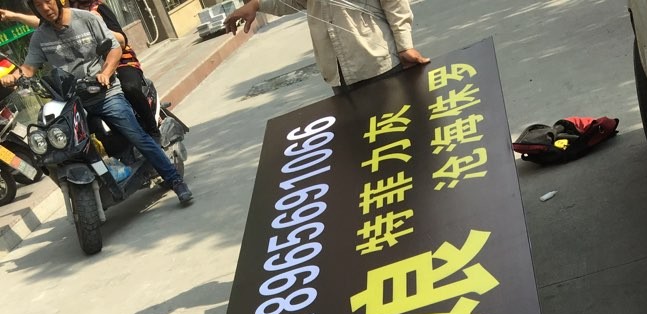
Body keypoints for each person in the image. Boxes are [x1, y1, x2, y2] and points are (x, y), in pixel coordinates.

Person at [0, 0, 192, 203]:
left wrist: (106, 72)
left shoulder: (87, 19)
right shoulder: (40, 36)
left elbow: (115, 48)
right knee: (63, 147)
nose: (45, 8)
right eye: (39, 5)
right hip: (71, 101)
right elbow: (29, 68)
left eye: (48, 1)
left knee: (137, 136)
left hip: (104, 93)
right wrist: (14, 76)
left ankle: (175, 180)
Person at [224, 0, 429, 93]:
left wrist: (404, 46)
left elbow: (394, 3)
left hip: (377, 64)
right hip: (339, 75)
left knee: (396, 136)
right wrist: (257, 5)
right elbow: (294, 2)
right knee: (362, 149)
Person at [71, 0, 160, 140]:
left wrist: (99, 24)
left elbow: (122, 41)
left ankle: (153, 130)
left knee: (129, 87)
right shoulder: (66, 14)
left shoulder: (99, 8)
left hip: (121, 62)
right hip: (90, 69)